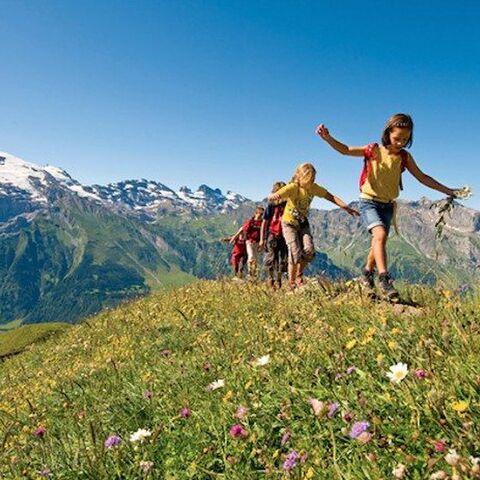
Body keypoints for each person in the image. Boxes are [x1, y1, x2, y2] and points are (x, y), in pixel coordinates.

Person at [316, 113, 458, 299]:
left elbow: (422, 177)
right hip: (369, 201)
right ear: (388, 133)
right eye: (397, 138)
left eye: (405, 139)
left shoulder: (404, 157)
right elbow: (346, 149)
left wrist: (447, 190)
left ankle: (367, 274)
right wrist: (328, 138)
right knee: (380, 235)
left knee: (377, 242)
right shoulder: (373, 150)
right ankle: (384, 279)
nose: (401, 142)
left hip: (388, 206)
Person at [268, 163, 359, 290]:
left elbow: (330, 196)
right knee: (294, 252)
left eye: (313, 178)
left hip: (302, 223)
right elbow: (275, 195)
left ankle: (299, 275)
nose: (312, 181)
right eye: (309, 179)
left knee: (309, 251)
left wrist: (346, 207)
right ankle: (292, 283)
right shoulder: (292, 187)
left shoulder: (314, 188)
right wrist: (273, 196)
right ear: (300, 177)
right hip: (289, 224)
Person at [260, 181, 288, 290]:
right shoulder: (271, 206)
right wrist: (262, 239)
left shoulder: (288, 205)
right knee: (271, 258)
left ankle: (279, 280)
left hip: (285, 235)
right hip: (273, 234)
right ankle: (271, 279)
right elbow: (265, 222)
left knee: (283, 259)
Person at [230, 206, 264, 279]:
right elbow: (242, 229)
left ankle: (253, 274)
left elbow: (264, 232)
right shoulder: (250, 221)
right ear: (256, 213)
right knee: (251, 257)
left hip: (257, 243)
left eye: (262, 215)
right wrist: (235, 237)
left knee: (255, 259)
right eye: (260, 214)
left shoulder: (262, 223)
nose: (261, 216)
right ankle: (250, 273)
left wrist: (263, 242)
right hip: (250, 242)